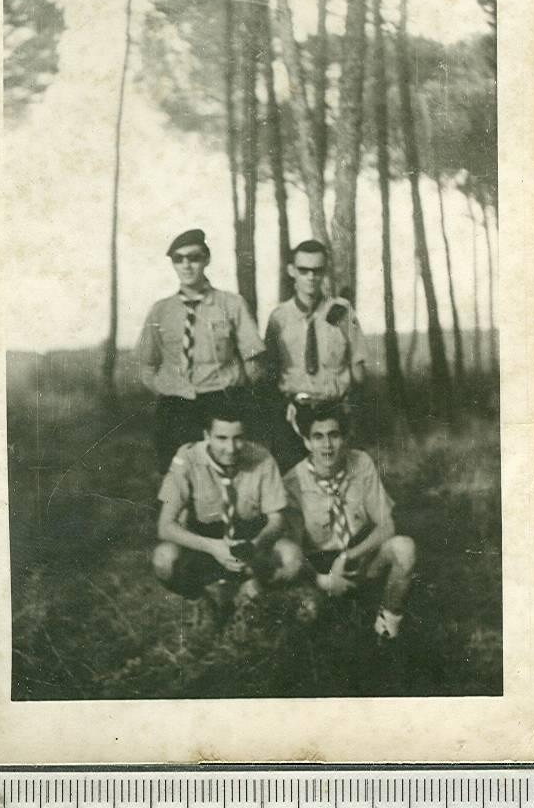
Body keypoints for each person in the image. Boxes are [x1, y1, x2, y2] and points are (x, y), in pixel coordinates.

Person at [152, 393, 303, 625]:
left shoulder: (262, 459)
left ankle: (249, 592)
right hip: (205, 542)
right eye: (221, 438)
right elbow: (165, 526)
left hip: (250, 542)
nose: (231, 448)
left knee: (292, 558)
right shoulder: (187, 458)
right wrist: (213, 548)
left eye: (238, 438)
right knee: (164, 558)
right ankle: (201, 600)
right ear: (206, 436)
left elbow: (276, 519)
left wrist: (255, 545)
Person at [284, 402, 416, 641]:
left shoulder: (361, 462)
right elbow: (293, 552)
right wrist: (324, 580)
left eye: (334, 435)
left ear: (344, 438)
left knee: (404, 548)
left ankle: (386, 632)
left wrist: (347, 557)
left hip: (360, 556)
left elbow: (387, 525)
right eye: (318, 437)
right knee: (311, 622)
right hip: (319, 569)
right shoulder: (293, 483)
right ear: (306, 442)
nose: (327, 446)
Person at [137, 229, 265, 473]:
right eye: (179, 259)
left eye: (193, 257)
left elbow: (254, 362)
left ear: (206, 259)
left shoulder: (231, 304)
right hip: (175, 409)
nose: (186, 265)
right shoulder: (161, 311)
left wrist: (236, 397)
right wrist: (169, 390)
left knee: (224, 473)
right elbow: (147, 365)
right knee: (175, 476)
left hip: (220, 403)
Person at [265, 239, 368, 472]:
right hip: (293, 414)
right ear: (292, 271)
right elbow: (270, 374)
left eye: (317, 270)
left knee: (339, 484)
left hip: (333, 413)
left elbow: (359, 372)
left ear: (325, 272)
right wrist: (282, 406)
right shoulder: (279, 318)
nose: (311, 277)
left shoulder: (341, 311)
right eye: (304, 270)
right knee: (292, 485)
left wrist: (352, 410)